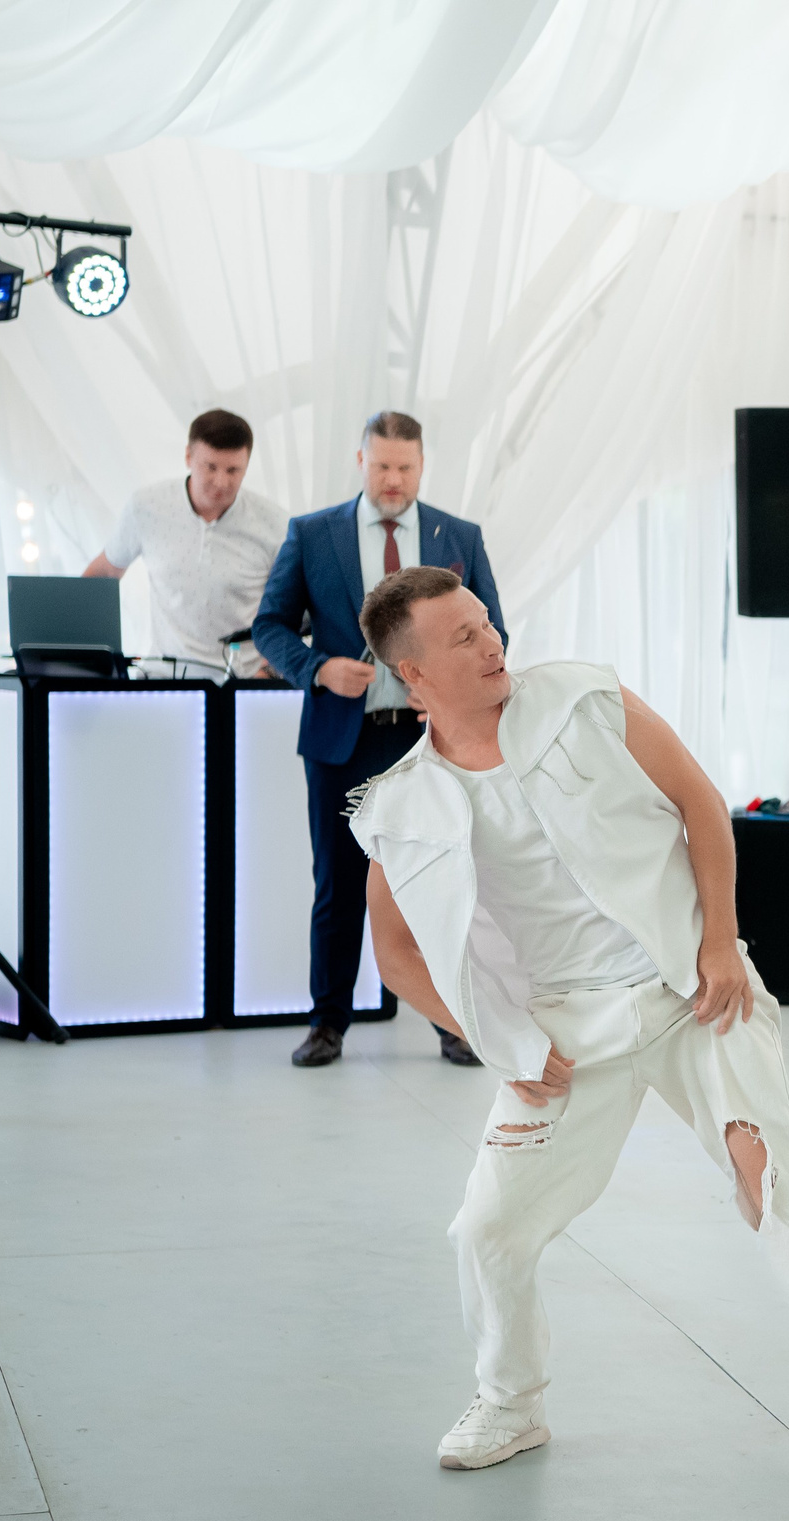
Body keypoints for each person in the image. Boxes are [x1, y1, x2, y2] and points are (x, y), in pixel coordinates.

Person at [350, 567, 789, 1476]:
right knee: (486, 1231)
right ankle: (510, 1403)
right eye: (461, 638)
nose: (492, 642)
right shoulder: (403, 805)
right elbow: (398, 958)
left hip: (693, 989)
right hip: (564, 1038)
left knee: (768, 1170)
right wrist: (505, 1044)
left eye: (487, 623)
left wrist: (722, 943)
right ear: (412, 677)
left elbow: (701, 804)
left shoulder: (587, 699)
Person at [253, 411, 505, 1070]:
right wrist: (317, 668)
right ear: (359, 459)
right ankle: (327, 1022)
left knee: (444, 880)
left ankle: (453, 1022)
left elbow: (493, 634)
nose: (393, 479)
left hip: (430, 743)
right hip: (341, 739)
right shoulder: (311, 534)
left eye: (406, 467)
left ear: (421, 466)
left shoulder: (461, 537)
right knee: (338, 884)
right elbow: (269, 625)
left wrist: (449, 690)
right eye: (382, 465)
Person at [81, 409, 286, 679]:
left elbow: (291, 608)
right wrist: (84, 654)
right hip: (162, 679)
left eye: (233, 470)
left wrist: (267, 672)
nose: (221, 482)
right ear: (188, 457)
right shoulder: (146, 507)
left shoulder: (275, 523)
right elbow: (103, 574)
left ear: (247, 464)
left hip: (242, 681)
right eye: (210, 467)